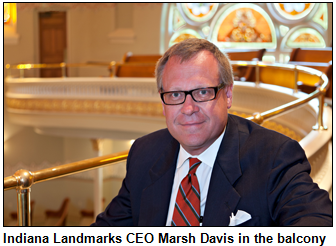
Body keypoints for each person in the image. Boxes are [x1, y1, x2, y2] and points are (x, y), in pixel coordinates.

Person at [92, 38, 332, 226]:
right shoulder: (144, 153)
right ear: (162, 101)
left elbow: (316, 227)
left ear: (227, 95)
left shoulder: (274, 156)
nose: (188, 108)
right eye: (175, 95)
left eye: (202, 92)